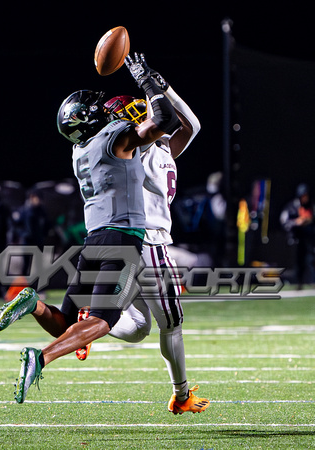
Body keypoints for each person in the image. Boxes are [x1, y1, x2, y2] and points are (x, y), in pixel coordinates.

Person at [0, 53, 184, 406]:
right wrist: (146, 80)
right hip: (123, 238)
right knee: (102, 321)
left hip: (94, 238)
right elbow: (166, 120)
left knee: (68, 321)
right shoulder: (116, 139)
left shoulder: (80, 150)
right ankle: (43, 357)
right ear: (92, 117)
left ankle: (34, 303)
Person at [101, 59, 210, 414]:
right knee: (172, 323)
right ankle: (181, 396)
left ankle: (89, 321)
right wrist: (150, 85)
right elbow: (177, 122)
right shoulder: (132, 150)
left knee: (136, 327)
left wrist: (163, 87)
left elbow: (191, 124)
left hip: (133, 242)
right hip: (149, 242)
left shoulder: (158, 148)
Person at [280, 183, 315, 288]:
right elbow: (283, 221)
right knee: (297, 262)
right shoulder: (291, 206)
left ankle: (311, 282)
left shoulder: (311, 207)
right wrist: (296, 222)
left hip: (308, 240)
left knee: (309, 261)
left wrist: (308, 221)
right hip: (296, 240)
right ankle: (297, 282)